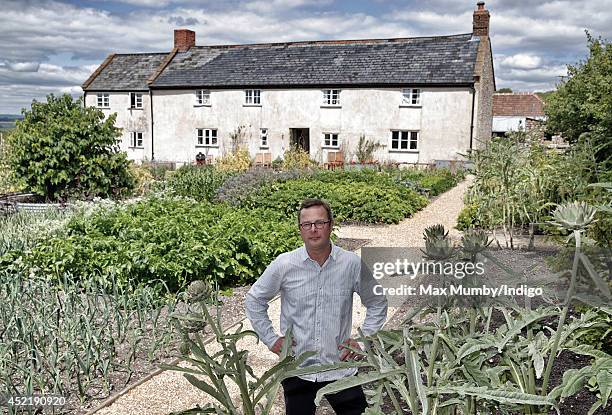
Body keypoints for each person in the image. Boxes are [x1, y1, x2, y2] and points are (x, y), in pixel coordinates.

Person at [245, 198, 388, 415]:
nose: (313, 229)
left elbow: (377, 302)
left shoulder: (351, 264)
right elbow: (255, 299)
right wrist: (271, 339)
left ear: (331, 225)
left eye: (320, 223)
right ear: (300, 229)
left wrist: (362, 340)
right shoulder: (284, 264)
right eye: (307, 224)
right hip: (297, 369)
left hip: (339, 368)